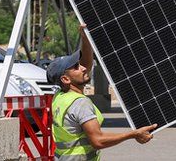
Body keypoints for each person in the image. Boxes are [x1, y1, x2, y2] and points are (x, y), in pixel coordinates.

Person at [48, 25, 156, 159]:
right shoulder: (80, 103)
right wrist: (133, 134)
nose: (83, 68)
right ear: (65, 79)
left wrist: (85, 38)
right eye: (76, 67)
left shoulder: (60, 97)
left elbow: (86, 65)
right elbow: (98, 140)